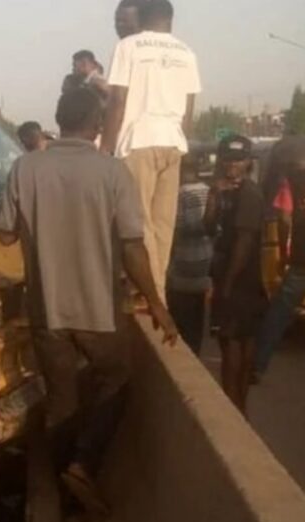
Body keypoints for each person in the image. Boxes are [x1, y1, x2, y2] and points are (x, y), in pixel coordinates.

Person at [0, 88, 178, 522]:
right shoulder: (112, 172)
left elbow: (3, 235)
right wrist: (157, 304)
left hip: (47, 313)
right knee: (116, 377)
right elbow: (133, 248)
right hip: (99, 311)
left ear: (58, 122)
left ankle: (71, 507)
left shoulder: (25, 168)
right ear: (96, 124)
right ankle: (85, 462)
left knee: (60, 402)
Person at [102, 0, 202, 299]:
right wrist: (179, 140)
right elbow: (189, 107)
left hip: (139, 141)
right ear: (169, 19)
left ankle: (149, 293)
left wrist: (105, 149)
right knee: (163, 224)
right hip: (172, 142)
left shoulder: (128, 47)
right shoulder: (186, 52)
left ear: (140, 18)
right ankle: (157, 290)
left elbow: (117, 100)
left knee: (139, 222)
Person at [203, 135, 266, 414]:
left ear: (249, 162)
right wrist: (214, 196)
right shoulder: (226, 192)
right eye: (227, 159)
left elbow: (244, 242)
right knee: (237, 341)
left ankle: (234, 408)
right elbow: (208, 227)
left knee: (234, 343)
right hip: (229, 276)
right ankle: (238, 409)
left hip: (242, 280)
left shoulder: (249, 194)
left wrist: (226, 286)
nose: (232, 165)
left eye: (238, 160)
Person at [254, 136, 305, 377]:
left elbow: (284, 218)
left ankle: (257, 366)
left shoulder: (291, 182)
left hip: (300, 258)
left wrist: (287, 251)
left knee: (278, 313)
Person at [165, 155, 213, 354]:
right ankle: (196, 353)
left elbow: (174, 228)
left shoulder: (179, 195)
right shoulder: (208, 191)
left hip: (182, 266)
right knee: (197, 318)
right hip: (205, 264)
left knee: (179, 318)